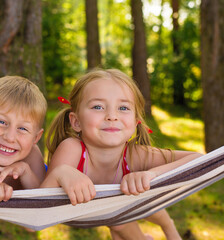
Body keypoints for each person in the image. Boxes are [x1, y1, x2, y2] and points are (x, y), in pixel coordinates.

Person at [40, 68, 202, 240]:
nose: (112, 116)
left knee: (130, 205)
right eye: (98, 107)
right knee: (118, 221)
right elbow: (40, 206)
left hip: (124, 208)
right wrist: (61, 172)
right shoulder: (72, 148)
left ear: (135, 122)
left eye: (123, 107)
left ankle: (168, 225)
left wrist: (151, 174)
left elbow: (199, 160)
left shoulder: (134, 155)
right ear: (76, 121)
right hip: (90, 212)